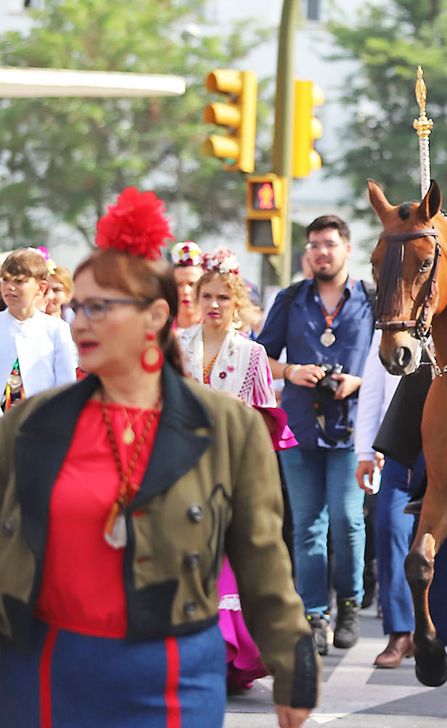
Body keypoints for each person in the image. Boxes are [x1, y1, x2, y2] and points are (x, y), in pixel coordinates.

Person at [0, 188, 316, 726]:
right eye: (78, 306)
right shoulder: (30, 425)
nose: (79, 323)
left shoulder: (228, 428)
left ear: (155, 316)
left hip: (174, 675)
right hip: (48, 671)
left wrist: (294, 668)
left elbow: (264, 558)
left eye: (101, 307)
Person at [176, 248, 296, 693]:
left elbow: (266, 419)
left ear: (237, 302)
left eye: (223, 298)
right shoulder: (176, 347)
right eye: (206, 295)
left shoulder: (252, 354)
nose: (213, 305)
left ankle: (228, 659)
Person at [257, 215, 370, 654]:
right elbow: (260, 356)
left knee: (347, 520)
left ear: (346, 248)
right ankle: (315, 614)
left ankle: (350, 604)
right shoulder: (291, 298)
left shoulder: (370, 298)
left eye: (329, 244)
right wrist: (291, 371)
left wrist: (359, 380)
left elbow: (390, 359)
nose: (322, 252)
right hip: (299, 425)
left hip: (351, 427)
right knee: (306, 526)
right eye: (314, 245)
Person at [355, 341, 447, 668]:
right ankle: (400, 633)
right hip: (402, 445)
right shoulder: (398, 325)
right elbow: (373, 392)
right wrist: (365, 452)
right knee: (391, 528)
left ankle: (437, 634)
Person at [1, 247, 77, 410]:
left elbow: (65, 386)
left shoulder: (56, 330)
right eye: (5, 280)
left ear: (41, 288)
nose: (10, 287)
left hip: (40, 422)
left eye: (19, 281)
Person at [170, 240, 204, 332]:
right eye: (179, 284)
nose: (185, 291)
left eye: (191, 284)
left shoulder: (214, 329)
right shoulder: (161, 330)